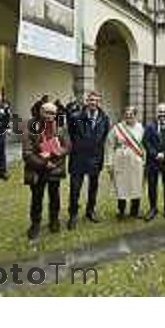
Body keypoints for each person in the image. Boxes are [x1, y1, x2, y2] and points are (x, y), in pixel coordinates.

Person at [23, 102, 69, 240]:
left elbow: (67, 147)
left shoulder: (61, 128)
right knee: (37, 199)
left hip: (55, 168)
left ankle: (54, 220)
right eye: (47, 112)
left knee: (54, 197)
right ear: (41, 112)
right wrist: (44, 163)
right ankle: (35, 224)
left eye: (53, 113)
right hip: (38, 170)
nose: (50, 116)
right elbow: (27, 153)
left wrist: (58, 154)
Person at [67, 91, 110, 228]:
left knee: (93, 187)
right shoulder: (76, 117)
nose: (93, 103)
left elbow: (103, 136)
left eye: (96, 100)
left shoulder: (104, 118)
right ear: (87, 101)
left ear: (99, 102)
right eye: (91, 100)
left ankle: (90, 211)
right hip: (78, 157)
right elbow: (72, 134)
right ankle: (73, 214)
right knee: (75, 188)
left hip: (95, 157)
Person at [107, 106, 144, 219]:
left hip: (135, 161)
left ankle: (134, 211)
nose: (129, 117)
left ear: (135, 115)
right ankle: (121, 211)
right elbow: (109, 145)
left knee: (136, 185)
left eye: (131, 115)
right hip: (120, 161)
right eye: (126, 115)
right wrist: (109, 162)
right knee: (121, 185)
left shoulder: (140, 128)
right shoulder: (117, 128)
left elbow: (143, 145)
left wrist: (144, 160)